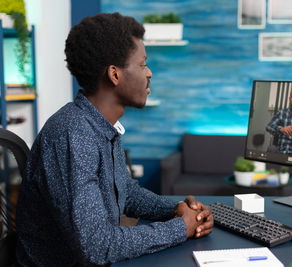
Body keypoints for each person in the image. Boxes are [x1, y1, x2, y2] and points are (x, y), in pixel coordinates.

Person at [16, 13, 213, 266]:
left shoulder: (101, 126)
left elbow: (127, 193)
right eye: (142, 64)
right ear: (115, 74)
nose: (149, 73)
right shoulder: (73, 135)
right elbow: (98, 246)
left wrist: (177, 211)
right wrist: (180, 228)